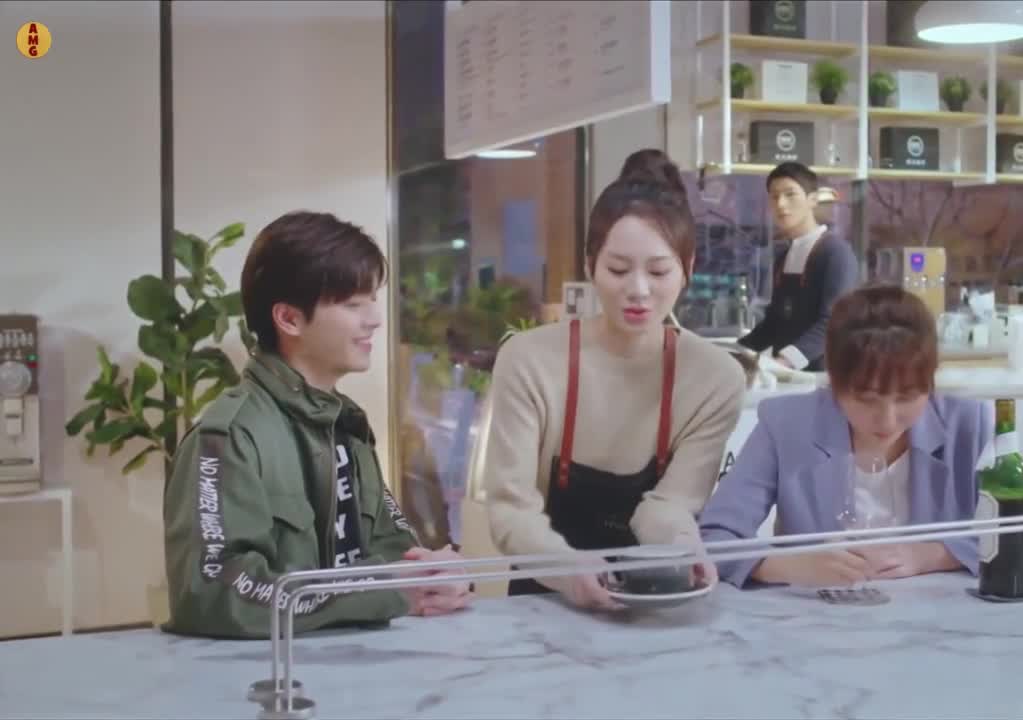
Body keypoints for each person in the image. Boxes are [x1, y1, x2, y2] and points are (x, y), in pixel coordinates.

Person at [162, 211, 472, 639]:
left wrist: (433, 578)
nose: (374, 319)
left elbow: (394, 550)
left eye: (372, 299)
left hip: (354, 666)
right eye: (352, 304)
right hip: (267, 675)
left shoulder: (346, 425)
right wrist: (379, 591)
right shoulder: (230, 436)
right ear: (289, 319)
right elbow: (214, 592)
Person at [700, 285, 1023, 588]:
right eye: (866, 399)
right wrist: (785, 565)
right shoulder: (786, 424)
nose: (887, 419)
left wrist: (941, 554)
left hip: (941, 630)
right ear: (834, 384)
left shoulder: (967, 426)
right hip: (819, 625)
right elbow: (714, 538)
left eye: (907, 397)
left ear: (930, 383)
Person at [483, 164, 747, 609]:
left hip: (654, 599)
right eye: (618, 269)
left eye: (659, 272)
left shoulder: (715, 378)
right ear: (590, 265)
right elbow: (510, 510)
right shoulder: (528, 360)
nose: (638, 290)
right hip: (544, 599)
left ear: (688, 269)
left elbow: (668, 507)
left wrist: (685, 547)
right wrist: (568, 571)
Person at [736, 161, 859, 372]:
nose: (781, 204)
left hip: (821, 376)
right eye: (774, 196)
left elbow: (833, 322)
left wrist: (784, 362)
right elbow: (775, 322)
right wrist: (737, 353)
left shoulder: (836, 252)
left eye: (790, 194)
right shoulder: (783, 256)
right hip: (787, 377)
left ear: (812, 200)